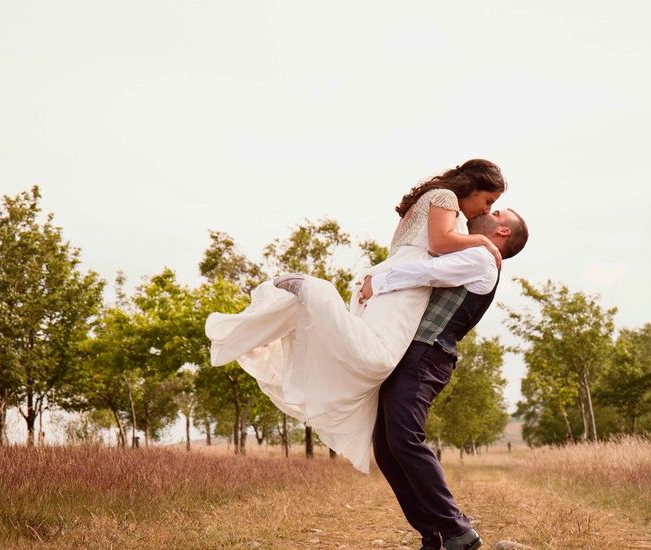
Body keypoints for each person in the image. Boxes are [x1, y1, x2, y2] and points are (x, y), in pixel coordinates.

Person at [204, 160, 506, 474]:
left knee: (369, 352)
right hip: (405, 285)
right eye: (488, 201)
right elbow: (439, 243)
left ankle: (309, 302)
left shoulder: (435, 199)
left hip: (389, 278)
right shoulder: (446, 197)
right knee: (379, 359)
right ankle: (314, 293)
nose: (485, 211)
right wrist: (483, 240)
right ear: (473, 184)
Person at [361, 208, 529, 550]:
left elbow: (428, 272)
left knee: (405, 439)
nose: (486, 211)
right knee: (387, 448)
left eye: (496, 211)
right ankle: (434, 535)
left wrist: (376, 283)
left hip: (428, 355)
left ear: (504, 232)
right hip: (413, 354)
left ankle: (457, 530)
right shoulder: (473, 251)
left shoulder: (482, 259)